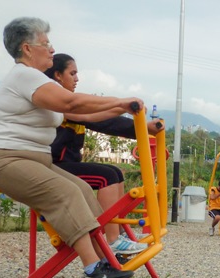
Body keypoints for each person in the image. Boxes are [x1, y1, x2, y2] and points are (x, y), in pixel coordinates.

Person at [0, 17, 140, 278]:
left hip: (34, 159)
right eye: (46, 43)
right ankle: (93, 269)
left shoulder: (38, 83)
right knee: (64, 194)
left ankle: (105, 257)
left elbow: (79, 111)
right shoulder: (23, 75)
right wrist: (120, 100)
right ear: (27, 48)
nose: (52, 50)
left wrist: (124, 109)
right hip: (7, 159)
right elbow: (71, 101)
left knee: (80, 189)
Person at [45, 53, 162, 255]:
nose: (77, 79)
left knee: (116, 173)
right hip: (54, 167)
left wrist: (141, 124)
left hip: (66, 164)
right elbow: (97, 119)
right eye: (72, 73)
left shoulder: (68, 102)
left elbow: (98, 118)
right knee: (105, 177)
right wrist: (135, 120)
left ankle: (115, 231)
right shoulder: (57, 102)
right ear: (57, 75)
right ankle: (112, 239)